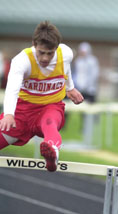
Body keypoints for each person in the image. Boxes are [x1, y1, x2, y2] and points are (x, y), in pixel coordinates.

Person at [0, 21, 84, 172]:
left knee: (50, 124)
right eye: (41, 52)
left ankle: (52, 153)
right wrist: (8, 114)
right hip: (22, 111)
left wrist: (70, 87)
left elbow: (66, 67)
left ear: (57, 48)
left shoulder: (66, 53)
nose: (45, 58)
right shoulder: (21, 61)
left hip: (50, 106)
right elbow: (12, 89)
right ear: (34, 45)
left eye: (50, 53)